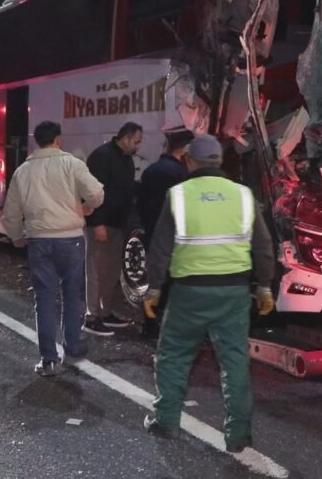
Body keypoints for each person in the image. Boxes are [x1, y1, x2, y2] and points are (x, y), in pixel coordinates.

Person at [141, 134, 276, 453]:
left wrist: (154, 288)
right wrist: (265, 286)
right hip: (233, 293)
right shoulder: (243, 195)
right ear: (218, 161)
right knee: (234, 363)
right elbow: (263, 245)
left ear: (189, 160)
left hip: (189, 293)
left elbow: (160, 248)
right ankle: (238, 435)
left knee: (173, 356)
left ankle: (166, 421)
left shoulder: (178, 195)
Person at [1, 121, 104, 377]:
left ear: (37, 141)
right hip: (70, 239)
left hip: (39, 241)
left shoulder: (23, 171)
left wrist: (15, 236)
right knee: (72, 295)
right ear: (58, 139)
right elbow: (97, 192)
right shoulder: (72, 164)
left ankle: (48, 359)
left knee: (44, 299)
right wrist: (86, 208)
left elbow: (11, 211)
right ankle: (74, 346)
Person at [83, 121, 143, 336]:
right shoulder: (101, 157)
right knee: (97, 270)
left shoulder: (125, 159)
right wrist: (97, 223)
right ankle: (92, 316)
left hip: (117, 224)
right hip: (101, 224)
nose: (137, 147)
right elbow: (92, 193)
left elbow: (124, 191)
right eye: (136, 141)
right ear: (126, 138)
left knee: (110, 272)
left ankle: (105, 312)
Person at [135, 129, 193, 337]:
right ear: (185, 150)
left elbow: (140, 204)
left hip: (153, 232)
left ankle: (149, 324)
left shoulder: (150, 171)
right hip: (175, 235)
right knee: (173, 282)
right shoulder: (181, 174)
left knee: (154, 280)